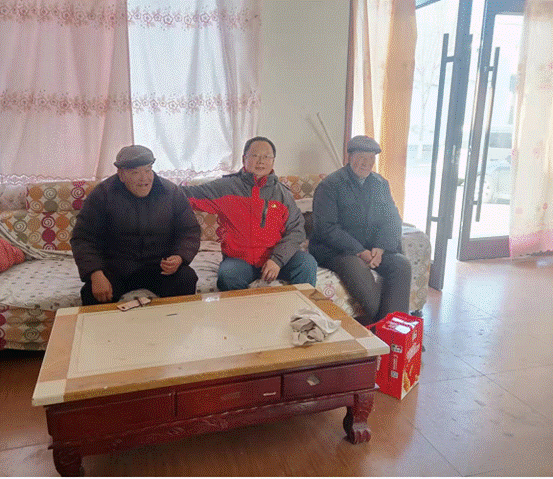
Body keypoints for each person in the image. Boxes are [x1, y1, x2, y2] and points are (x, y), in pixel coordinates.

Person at [71, 145, 200, 306]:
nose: (144, 178)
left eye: (148, 170)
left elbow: (189, 231)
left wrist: (179, 257)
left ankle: (172, 323)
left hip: (159, 266)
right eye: (135, 172)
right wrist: (95, 273)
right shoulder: (102, 195)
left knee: (186, 278)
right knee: (92, 293)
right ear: (121, 174)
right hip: (116, 268)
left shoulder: (171, 193)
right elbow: (83, 238)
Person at [183, 136, 317, 291]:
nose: (260, 161)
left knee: (307, 264)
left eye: (266, 157)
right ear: (244, 159)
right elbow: (188, 194)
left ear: (273, 161)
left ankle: (301, 306)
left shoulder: (282, 194)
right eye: (255, 155)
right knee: (228, 276)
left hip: (276, 258)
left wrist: (277, 260)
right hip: (239, 260)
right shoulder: (226, 187)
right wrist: (160, 185)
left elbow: (297, 230)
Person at [309, 135, 411, 327]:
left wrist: (380, 248)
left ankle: (392, 330)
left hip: (372, 247)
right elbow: (326, 228)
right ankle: (388, 330)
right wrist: (360, 251)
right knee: (356, 267)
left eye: (371, 158)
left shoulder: (380, 183)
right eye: (361, 157)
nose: (366, 163)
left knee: (401, 264)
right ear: (350, 157)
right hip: (338, 250)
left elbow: (392, 219)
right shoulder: (330, 185)